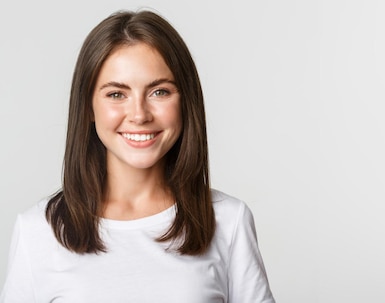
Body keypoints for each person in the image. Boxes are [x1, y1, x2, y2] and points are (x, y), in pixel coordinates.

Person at [0, 10, 275, 303]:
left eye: (159, 92)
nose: (140, 115)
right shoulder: (37, 231)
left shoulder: (228, 220)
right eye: (117, 94)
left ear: (186, 101)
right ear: (88, 108)